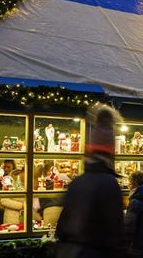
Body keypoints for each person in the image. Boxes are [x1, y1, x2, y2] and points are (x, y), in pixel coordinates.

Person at [57, 105, 125, 258]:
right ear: (110, 154)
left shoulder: (77, 182)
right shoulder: (109, 183)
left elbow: (61, 226)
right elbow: (114, 230)